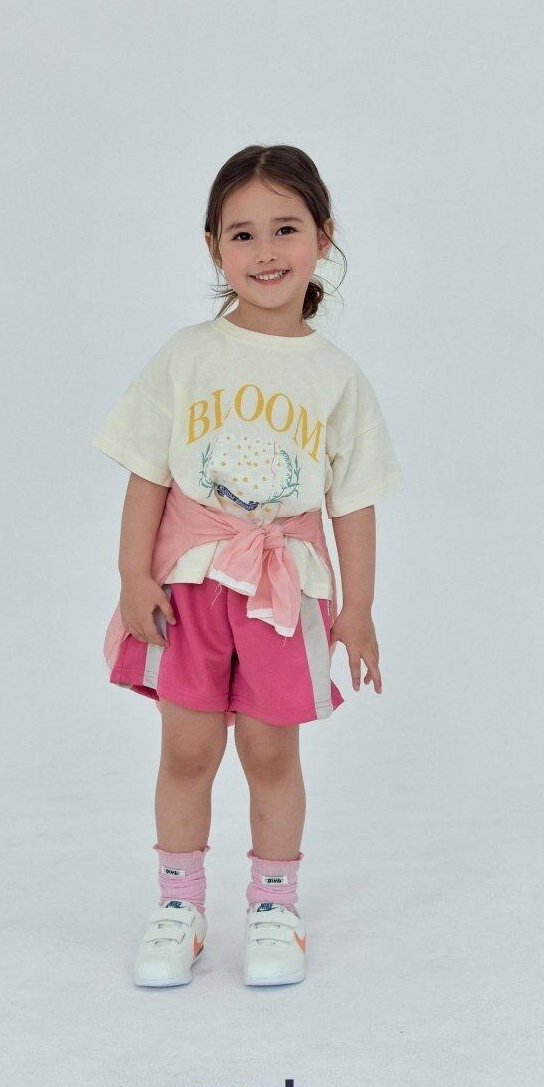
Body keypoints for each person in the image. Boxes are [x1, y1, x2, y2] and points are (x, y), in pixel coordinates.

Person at [90, 144, 404, 987]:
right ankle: (179, 906)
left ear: (323, 238)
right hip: (189, 588)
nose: (266, 251)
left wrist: (358, 608)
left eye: (286, 229)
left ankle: (274, 907)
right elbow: (147, 475)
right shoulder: (188, 356)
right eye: (243, 234)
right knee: (187, 749)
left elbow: (354, 502)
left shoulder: (337, 378)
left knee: (270, 752)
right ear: (213, 248)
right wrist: (132, 577)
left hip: (282, 590)